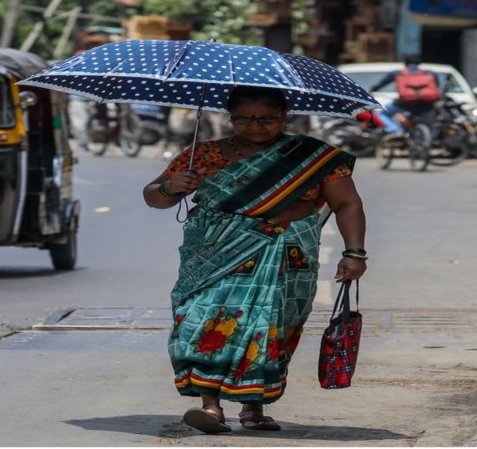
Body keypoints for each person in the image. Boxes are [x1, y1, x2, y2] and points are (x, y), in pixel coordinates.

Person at [143, 86, 368, 434]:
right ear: (230, 118)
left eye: (266, 119)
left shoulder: (312, 157)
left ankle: (253, 406)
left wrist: (354, 252)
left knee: (269, 324)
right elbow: (154, 198)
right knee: (202, 321)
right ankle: (210, 406)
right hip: (214, 255)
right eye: (245, 119)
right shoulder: (201, 156)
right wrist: (172, 187)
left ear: (284, 116)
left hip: (284, 252)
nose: (255, 126)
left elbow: (347, 203)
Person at [369, 54, 442, 135]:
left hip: (404, 104)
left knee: (383, 113)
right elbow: (437, 88)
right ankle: (429, 141)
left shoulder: (397, 73)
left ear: (405, 63)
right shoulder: (430, 73)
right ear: (419, 63)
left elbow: (380, 84)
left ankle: (396, 131)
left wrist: (372, 90)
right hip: (426, 105)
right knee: (429, 124)